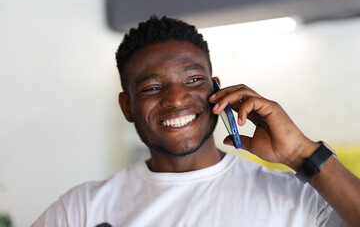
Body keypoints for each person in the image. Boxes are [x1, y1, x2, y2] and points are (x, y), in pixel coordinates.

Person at [32, 16, 360, 227]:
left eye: (192, 81)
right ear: (127, 107)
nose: (176, 98)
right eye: (151, 88)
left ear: (216, 89)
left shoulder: (298, 200)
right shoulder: (81, 211)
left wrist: (301, 153)